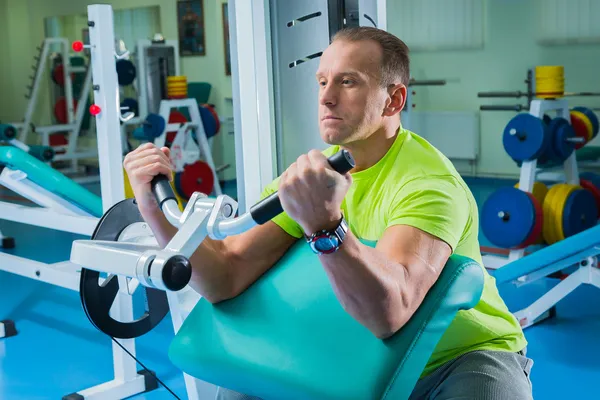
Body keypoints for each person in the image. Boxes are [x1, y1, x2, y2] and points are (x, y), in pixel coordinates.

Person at [124, 27, 533, 400]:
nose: (326, 96)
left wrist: (325, 226)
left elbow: (391, 313)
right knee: (242, 389)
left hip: (457, 357)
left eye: (347, 81)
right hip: (358, 351)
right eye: (322, 81)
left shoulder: (427, 184)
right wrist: (151, 204)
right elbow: (225, 274)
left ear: (393, 99)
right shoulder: (313, 176)